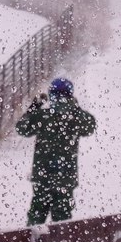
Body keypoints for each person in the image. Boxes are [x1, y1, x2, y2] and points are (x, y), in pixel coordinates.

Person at [16, 77, 96, 226]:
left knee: (37, 216)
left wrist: (34, 107)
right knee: (62, 219)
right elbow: (90, 126)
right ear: (70, 95)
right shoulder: (75, 117)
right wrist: (75, 107)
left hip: (42, 175)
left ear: (51, 94)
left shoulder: (44, 116)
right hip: (66, 176)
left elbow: (22, 128)